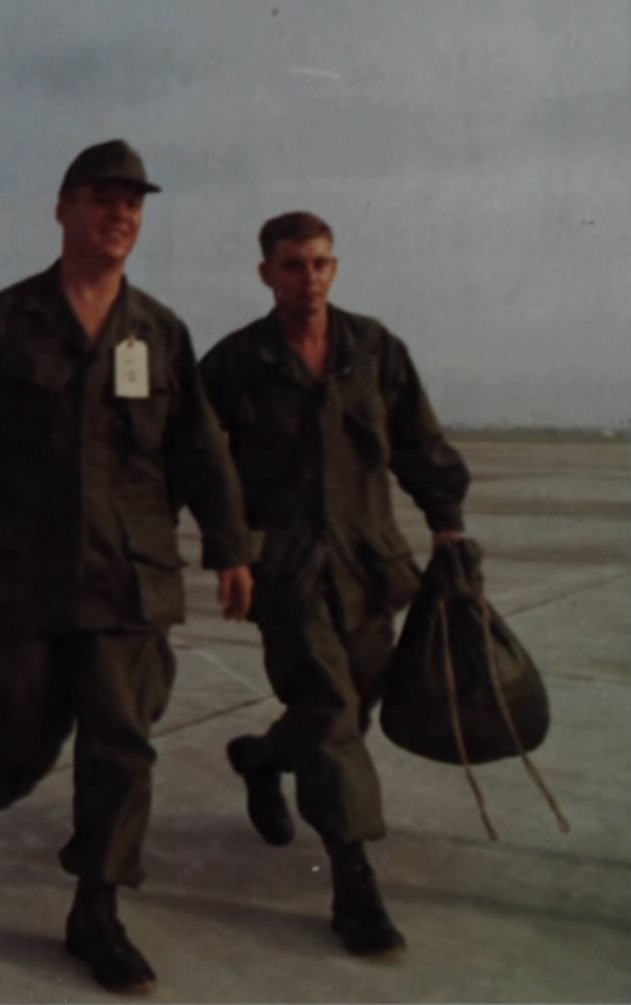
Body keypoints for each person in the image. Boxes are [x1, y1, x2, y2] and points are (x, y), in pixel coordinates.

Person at [0, 140, 253, 994]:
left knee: (121, 747)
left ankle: (96, 907)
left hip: (129, 578)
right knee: (14, 738)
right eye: (102, 199)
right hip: (19, 572)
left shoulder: (160, 332)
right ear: (62, 208)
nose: (120, 214)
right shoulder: (6, 318)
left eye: (134, 203)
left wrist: (232, 546)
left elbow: (202, 451)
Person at [198, 211, 470, 956]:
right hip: (283, 571)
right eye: (292, 264)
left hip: (369, 566)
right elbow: (195, 462)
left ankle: (259, 758)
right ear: (266, 274)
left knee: (353, 706)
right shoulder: (234, 362)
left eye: (320, 263)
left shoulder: (374, 350)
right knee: (329, 712)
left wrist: (445, 520)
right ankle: (354, 883)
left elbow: (419, 439)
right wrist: (228, 551)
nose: (308, 276)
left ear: (335, 269)